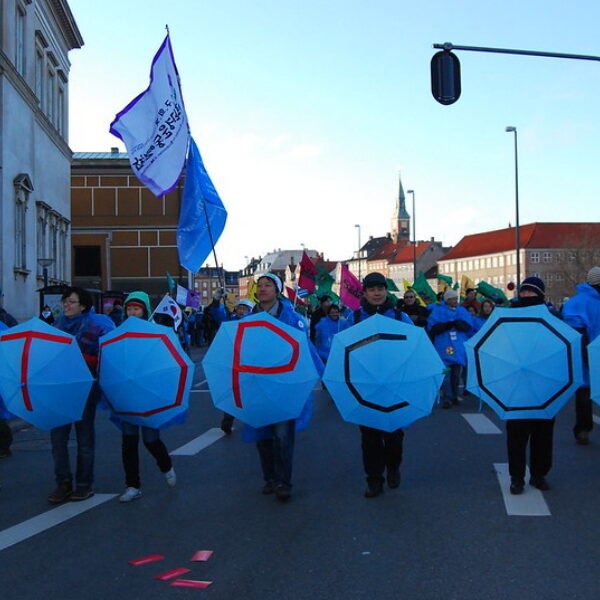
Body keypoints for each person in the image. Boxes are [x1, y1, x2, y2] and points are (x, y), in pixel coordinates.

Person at [246, 273, 319, 502]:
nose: (263, 288)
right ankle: (269, 477)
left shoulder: (292, 318)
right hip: (259, 385)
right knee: (263, 436)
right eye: (260, 285)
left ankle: (283, 482)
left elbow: (301, 349)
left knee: (283, 435)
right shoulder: (247, 319)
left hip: (285, 386)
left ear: (277, 291)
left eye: (268, 285)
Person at [346, 272, 413, 498]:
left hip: (395, 385)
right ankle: (374, 480)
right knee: (369, 438)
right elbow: (343, 352)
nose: (377, 293)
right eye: (372, 289)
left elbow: (414, 347)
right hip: (364, 386)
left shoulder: (400, 317)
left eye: (380, 289)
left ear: (386, 291)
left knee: (394, 435)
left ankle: (393, 466)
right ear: (364, 292)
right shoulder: (353, 319)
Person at [48, 287, 115, 503]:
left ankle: (84, 485)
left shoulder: (96, 326)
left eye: (71, 302)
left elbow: (106, 357)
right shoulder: (57, 326)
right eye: (65, 301)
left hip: (85, 390)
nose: (66, 305)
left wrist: (83, 360)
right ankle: (63, 484)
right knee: (58, 441)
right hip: (60, 391)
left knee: (84, 439)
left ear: (83, 306)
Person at [115, 292, 176, 503]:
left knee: (150, 440)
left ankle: (166, 465)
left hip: (148, 395)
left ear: (144, 311)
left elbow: (163, 362)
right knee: (128, 442)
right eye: (129, 309)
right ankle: (133, 485)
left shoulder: (154, 334)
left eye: (136, 309)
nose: (132, 313)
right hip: (127, 394)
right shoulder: (118, 334)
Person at [505, 276, 555, 494]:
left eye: (531, 292)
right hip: (517, 385)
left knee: (543, 435)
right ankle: (517, 477)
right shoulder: (508, 317)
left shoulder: (552, 318)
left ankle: (539, 474)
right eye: (524, 291)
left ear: (540, 295)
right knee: (516, 436)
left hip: (545, 385)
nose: (526, 295)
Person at [562, 266, 600, 446]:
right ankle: (583, 428)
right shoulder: (580, 302)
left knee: (584, 393)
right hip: (588, 354)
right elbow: (577, 332)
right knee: (585, 393)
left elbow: (574, 331)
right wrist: (587, 354)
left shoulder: (575, 303)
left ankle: (583, 428)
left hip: (586, 353)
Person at [427, 289, 472, 408]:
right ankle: (447, 397)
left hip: (458, 348)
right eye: (452, 299)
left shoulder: (461, 310)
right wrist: (447, 325)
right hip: (443, 347)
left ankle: (454, 395)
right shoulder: (438, 311)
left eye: (456, 299)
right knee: (445, 375)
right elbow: (432, 327)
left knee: (456, 374)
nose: (455, 301)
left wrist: (458, 324)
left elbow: (467, 326)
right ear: (447, 300)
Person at [220, 299, 256, 435]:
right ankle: (227, 421)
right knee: (232, 393)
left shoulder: (253, 323)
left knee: (249, 394)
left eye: (244, 309)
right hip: (232, 362)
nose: (241, 311)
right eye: (239, 308)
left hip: (248, 363)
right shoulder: (229, 322)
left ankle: (254, 421)